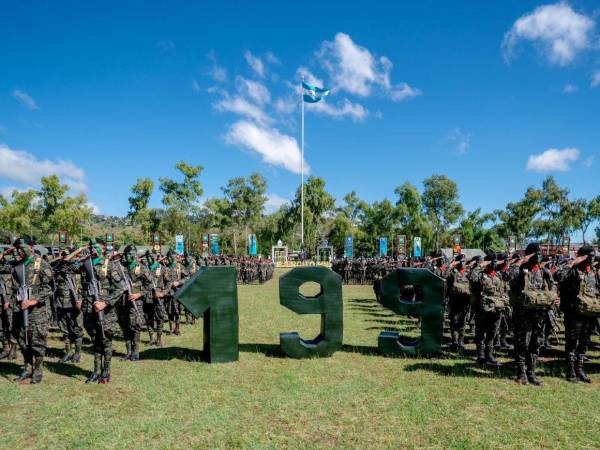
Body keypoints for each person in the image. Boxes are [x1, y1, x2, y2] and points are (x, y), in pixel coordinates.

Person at [509, 243, 557, 386]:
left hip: (539, 314)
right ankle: (521, 373)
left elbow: (553, 284)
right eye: (536, 253)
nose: (539, 256)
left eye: (540, 253)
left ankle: (531, 372)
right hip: (522, 314)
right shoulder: (520, 269)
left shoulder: (544, 271)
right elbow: (507, 276)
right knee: (522, 343)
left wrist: (554, 295)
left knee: (536, 344)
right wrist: (520, 261)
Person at [11, 238, 54, 384]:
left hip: (36, 311)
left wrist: (33, 300)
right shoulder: (17, 264)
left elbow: (49, 288)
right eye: (16, 249)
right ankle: (27, 368)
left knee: (37, 341)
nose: (18, 251)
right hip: (19, 308)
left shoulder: (41, 264)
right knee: (23, 340)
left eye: (21, 248)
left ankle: (38, 370)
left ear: (30, 247)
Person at [556, 246, 599, 383]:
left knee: (584, 343)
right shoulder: (573, 270)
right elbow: (558, 276)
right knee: (572, 343)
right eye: (589, 256)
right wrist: (572, 262)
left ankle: (580, 370)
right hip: (574, 313)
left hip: (589, 313)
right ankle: (570, 371)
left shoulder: (593, 272)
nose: (592, 259)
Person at [472, 254, 507, 365]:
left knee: (493, 332)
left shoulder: (498, 275)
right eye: (492, 261)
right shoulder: (480, 274)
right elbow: (472, 278)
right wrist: (480, 266)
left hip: (497, 307)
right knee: (481, 332)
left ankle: (489, 354)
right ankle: (481, 355)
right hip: (483, 308)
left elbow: (503, 289)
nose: (495, 263)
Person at [52, 251, 84, 364]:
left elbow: (84, 285)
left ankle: (77, 353)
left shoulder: (77, 266)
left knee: (77, 329)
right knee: (65, 330)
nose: (65, 257)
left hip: (74, 303)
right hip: (60, 303)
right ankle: (67, 352)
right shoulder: (59, 267)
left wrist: (81, 300)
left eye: (67, 255)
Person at [446, 254, 471, 352]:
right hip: (454, 300)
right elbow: (444, 275)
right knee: (454, 321)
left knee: (463, 322)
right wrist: (451, 265)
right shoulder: (453, 272)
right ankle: (454, 341)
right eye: (461, 261)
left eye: (464, 261)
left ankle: (461, 341)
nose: (463, 263)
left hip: (465, 301)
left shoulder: (468, 272)